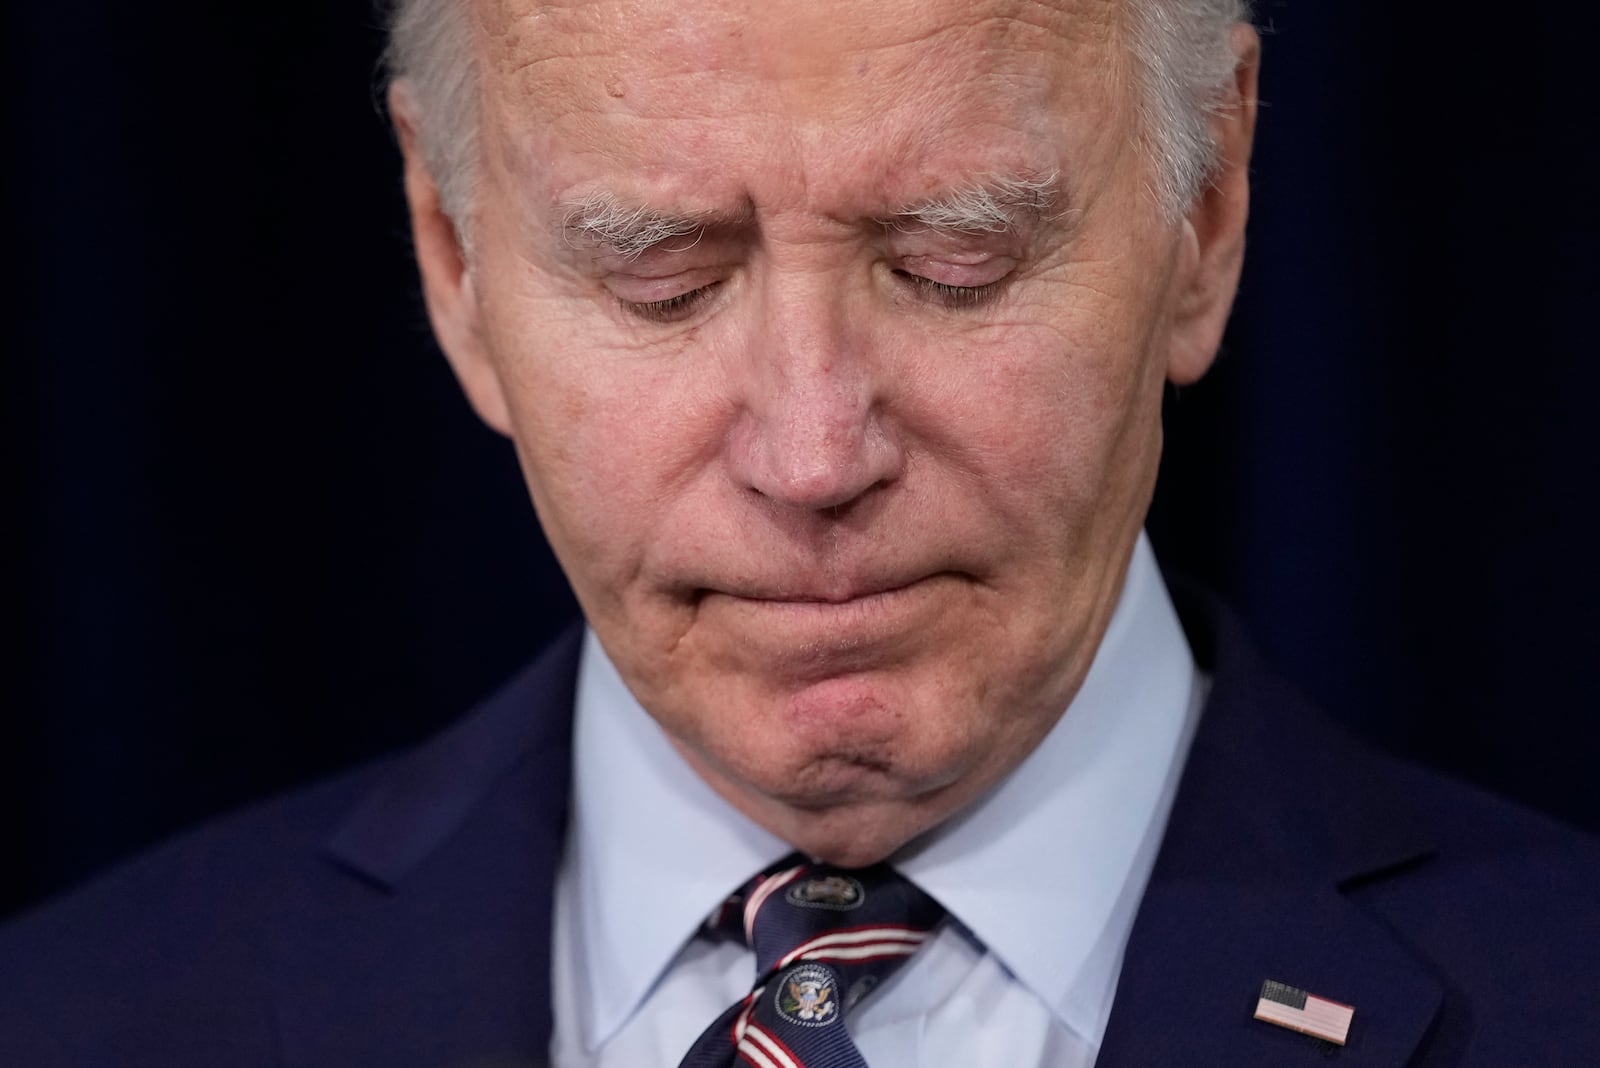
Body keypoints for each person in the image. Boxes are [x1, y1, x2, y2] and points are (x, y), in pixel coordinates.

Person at [2, 0, 1596, 1065]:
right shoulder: (77, 1019)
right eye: (662, 276)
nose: (815, 451)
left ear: (1210, 208)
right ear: (451, 259)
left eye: (954, 257)